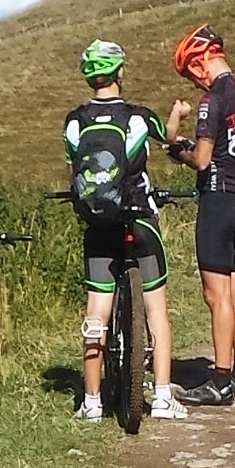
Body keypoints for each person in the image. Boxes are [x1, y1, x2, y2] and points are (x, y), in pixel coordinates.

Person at [54, 42, 175, 416]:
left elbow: (74, 172)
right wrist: (178, 114)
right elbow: (168, 138)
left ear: (89, 76)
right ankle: (164, 397)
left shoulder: (75, 121)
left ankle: (91, 402)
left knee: (97, 313)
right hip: (139, 219)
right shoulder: (138, 117)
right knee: (156, 311)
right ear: (120, 73)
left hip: (98, 225)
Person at [174, 29, 235, 401]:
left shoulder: (212, 100)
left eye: (190, 73)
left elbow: (201, 159)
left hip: (217, 199)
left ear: (200, 62)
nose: (194, 80)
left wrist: (176, 149)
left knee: (216, 297)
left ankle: (221, 381)